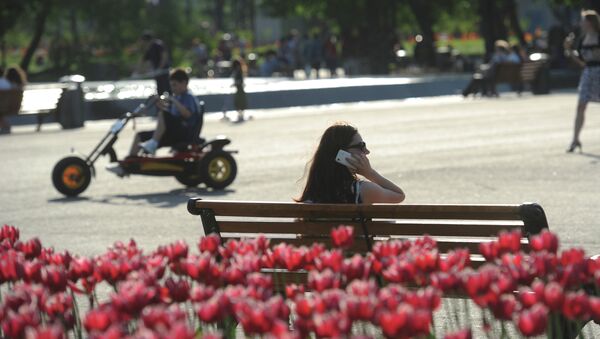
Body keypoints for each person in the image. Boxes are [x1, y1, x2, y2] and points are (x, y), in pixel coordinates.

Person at [106, 68, 202, 176]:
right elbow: (169, 113)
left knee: (163, 114)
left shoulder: (188, 97)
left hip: (183, 133)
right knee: (140, 135)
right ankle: (128, 165)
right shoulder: (179, 97)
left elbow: (187, 114)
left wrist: (173, 100)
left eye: (175, 85)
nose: (172, 88)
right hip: (172, 132)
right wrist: (159, 102)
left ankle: (153, 144)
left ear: (184, 83)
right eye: (171, 85)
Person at [297, 122, 405, 204]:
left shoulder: (312, 192)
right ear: (340, 153)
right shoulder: (363, 190)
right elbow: (399, 195)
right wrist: (370, 173)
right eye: (360, 146)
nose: (367, 152)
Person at [564, 10, 600, 153]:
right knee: (581, 106)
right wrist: (568, 49)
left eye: (583, 20)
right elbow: (581, 62)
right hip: (588, 73)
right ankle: (575, 139)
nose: (580, 23)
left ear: (590, 22)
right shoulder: (582, 39)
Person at [0, 66, 27, 134]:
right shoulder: (19, 85)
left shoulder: (3, 82)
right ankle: (5, 126)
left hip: (3, 107)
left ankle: (6, 126)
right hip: (16, 107)